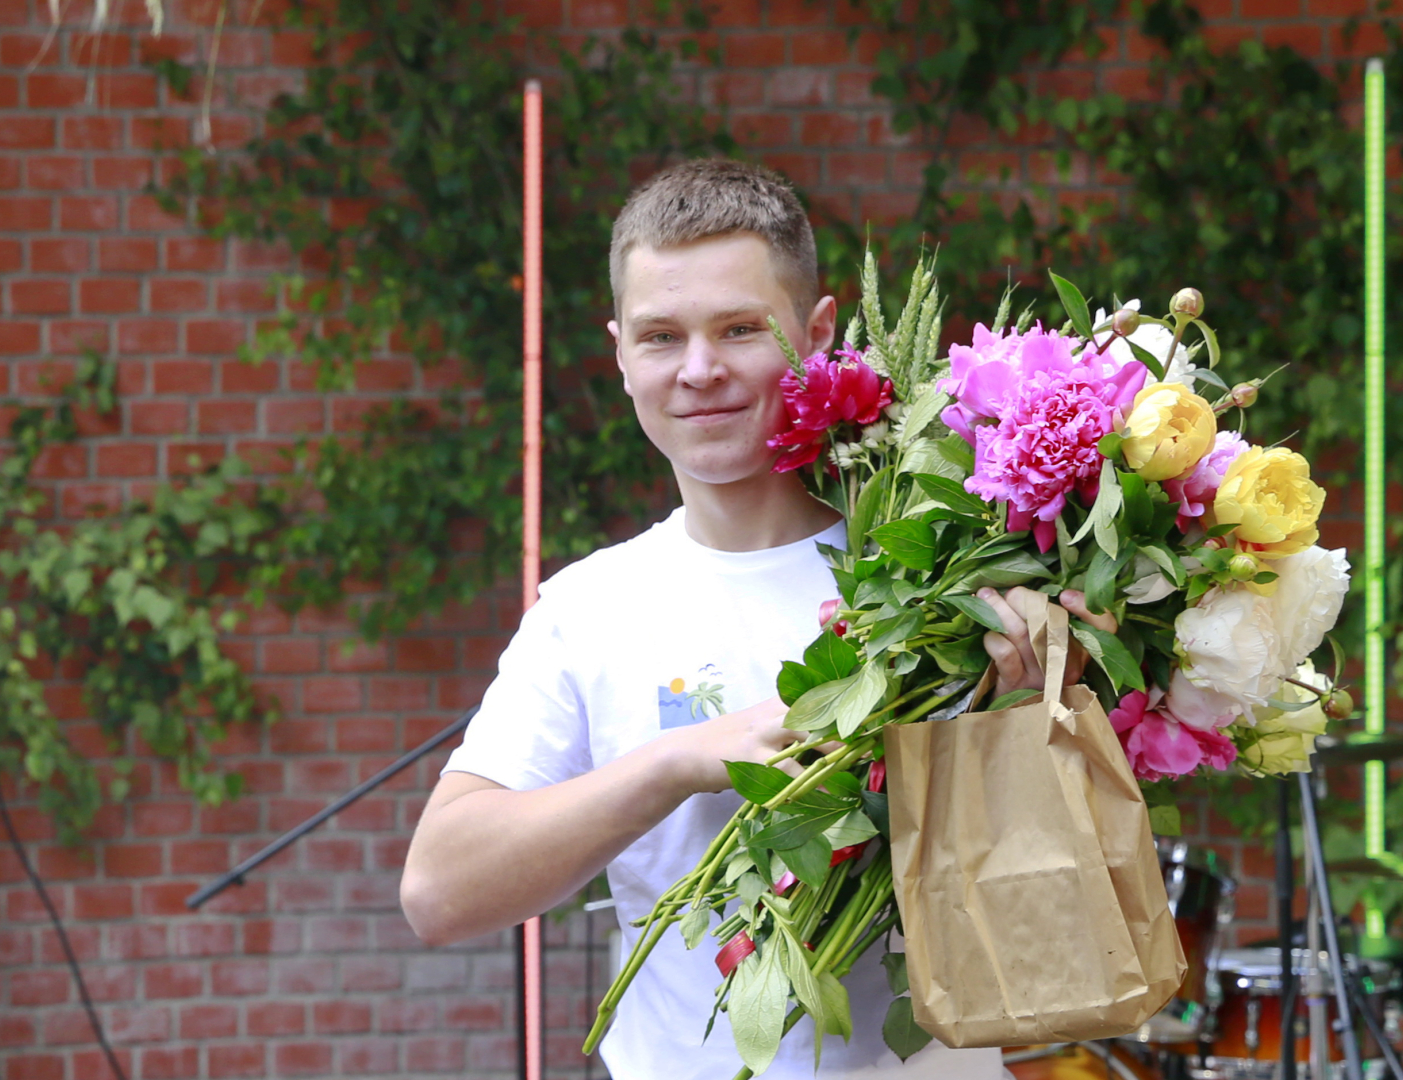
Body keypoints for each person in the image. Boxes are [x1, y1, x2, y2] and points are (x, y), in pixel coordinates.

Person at [400, 158, 1114, 1079]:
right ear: (620, 355)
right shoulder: (589, 608)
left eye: (740, 329)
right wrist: (682, 760)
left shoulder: (949, 573)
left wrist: (1030, 714)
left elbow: (1067, 905)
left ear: (817, 333)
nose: (700, 370)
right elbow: (439, 892)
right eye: (661, 337)